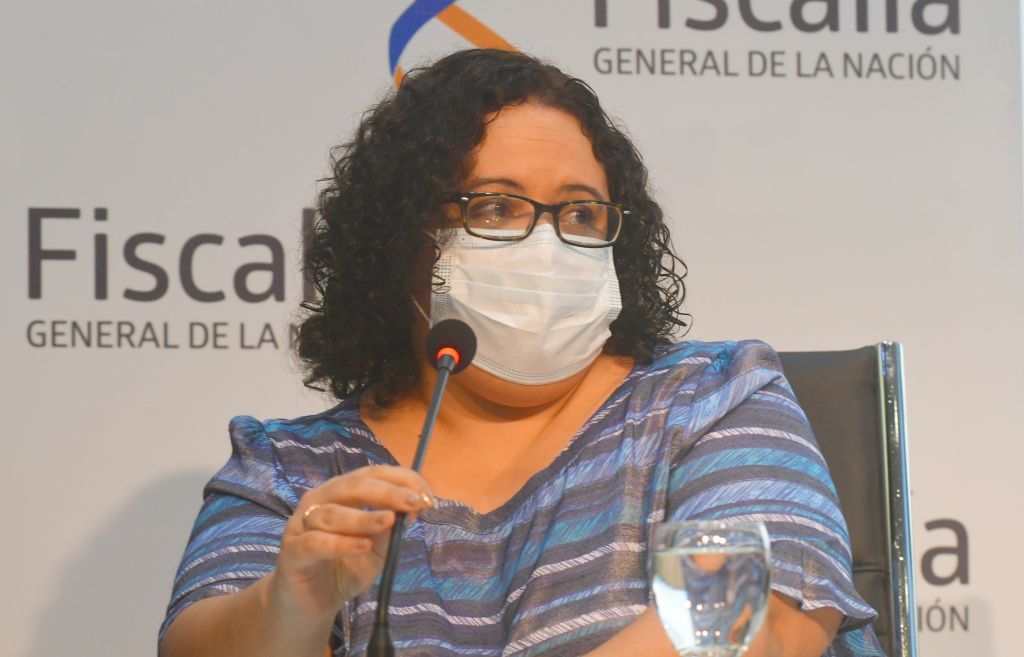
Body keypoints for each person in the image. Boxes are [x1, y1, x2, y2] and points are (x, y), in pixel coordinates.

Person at [159, 49, 883, 657]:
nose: (547, 241)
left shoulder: (710, 397)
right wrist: (288, 606)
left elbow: (747, 624)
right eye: (496, 206)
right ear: (401, 237)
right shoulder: (290, 470)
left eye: (580, 212)